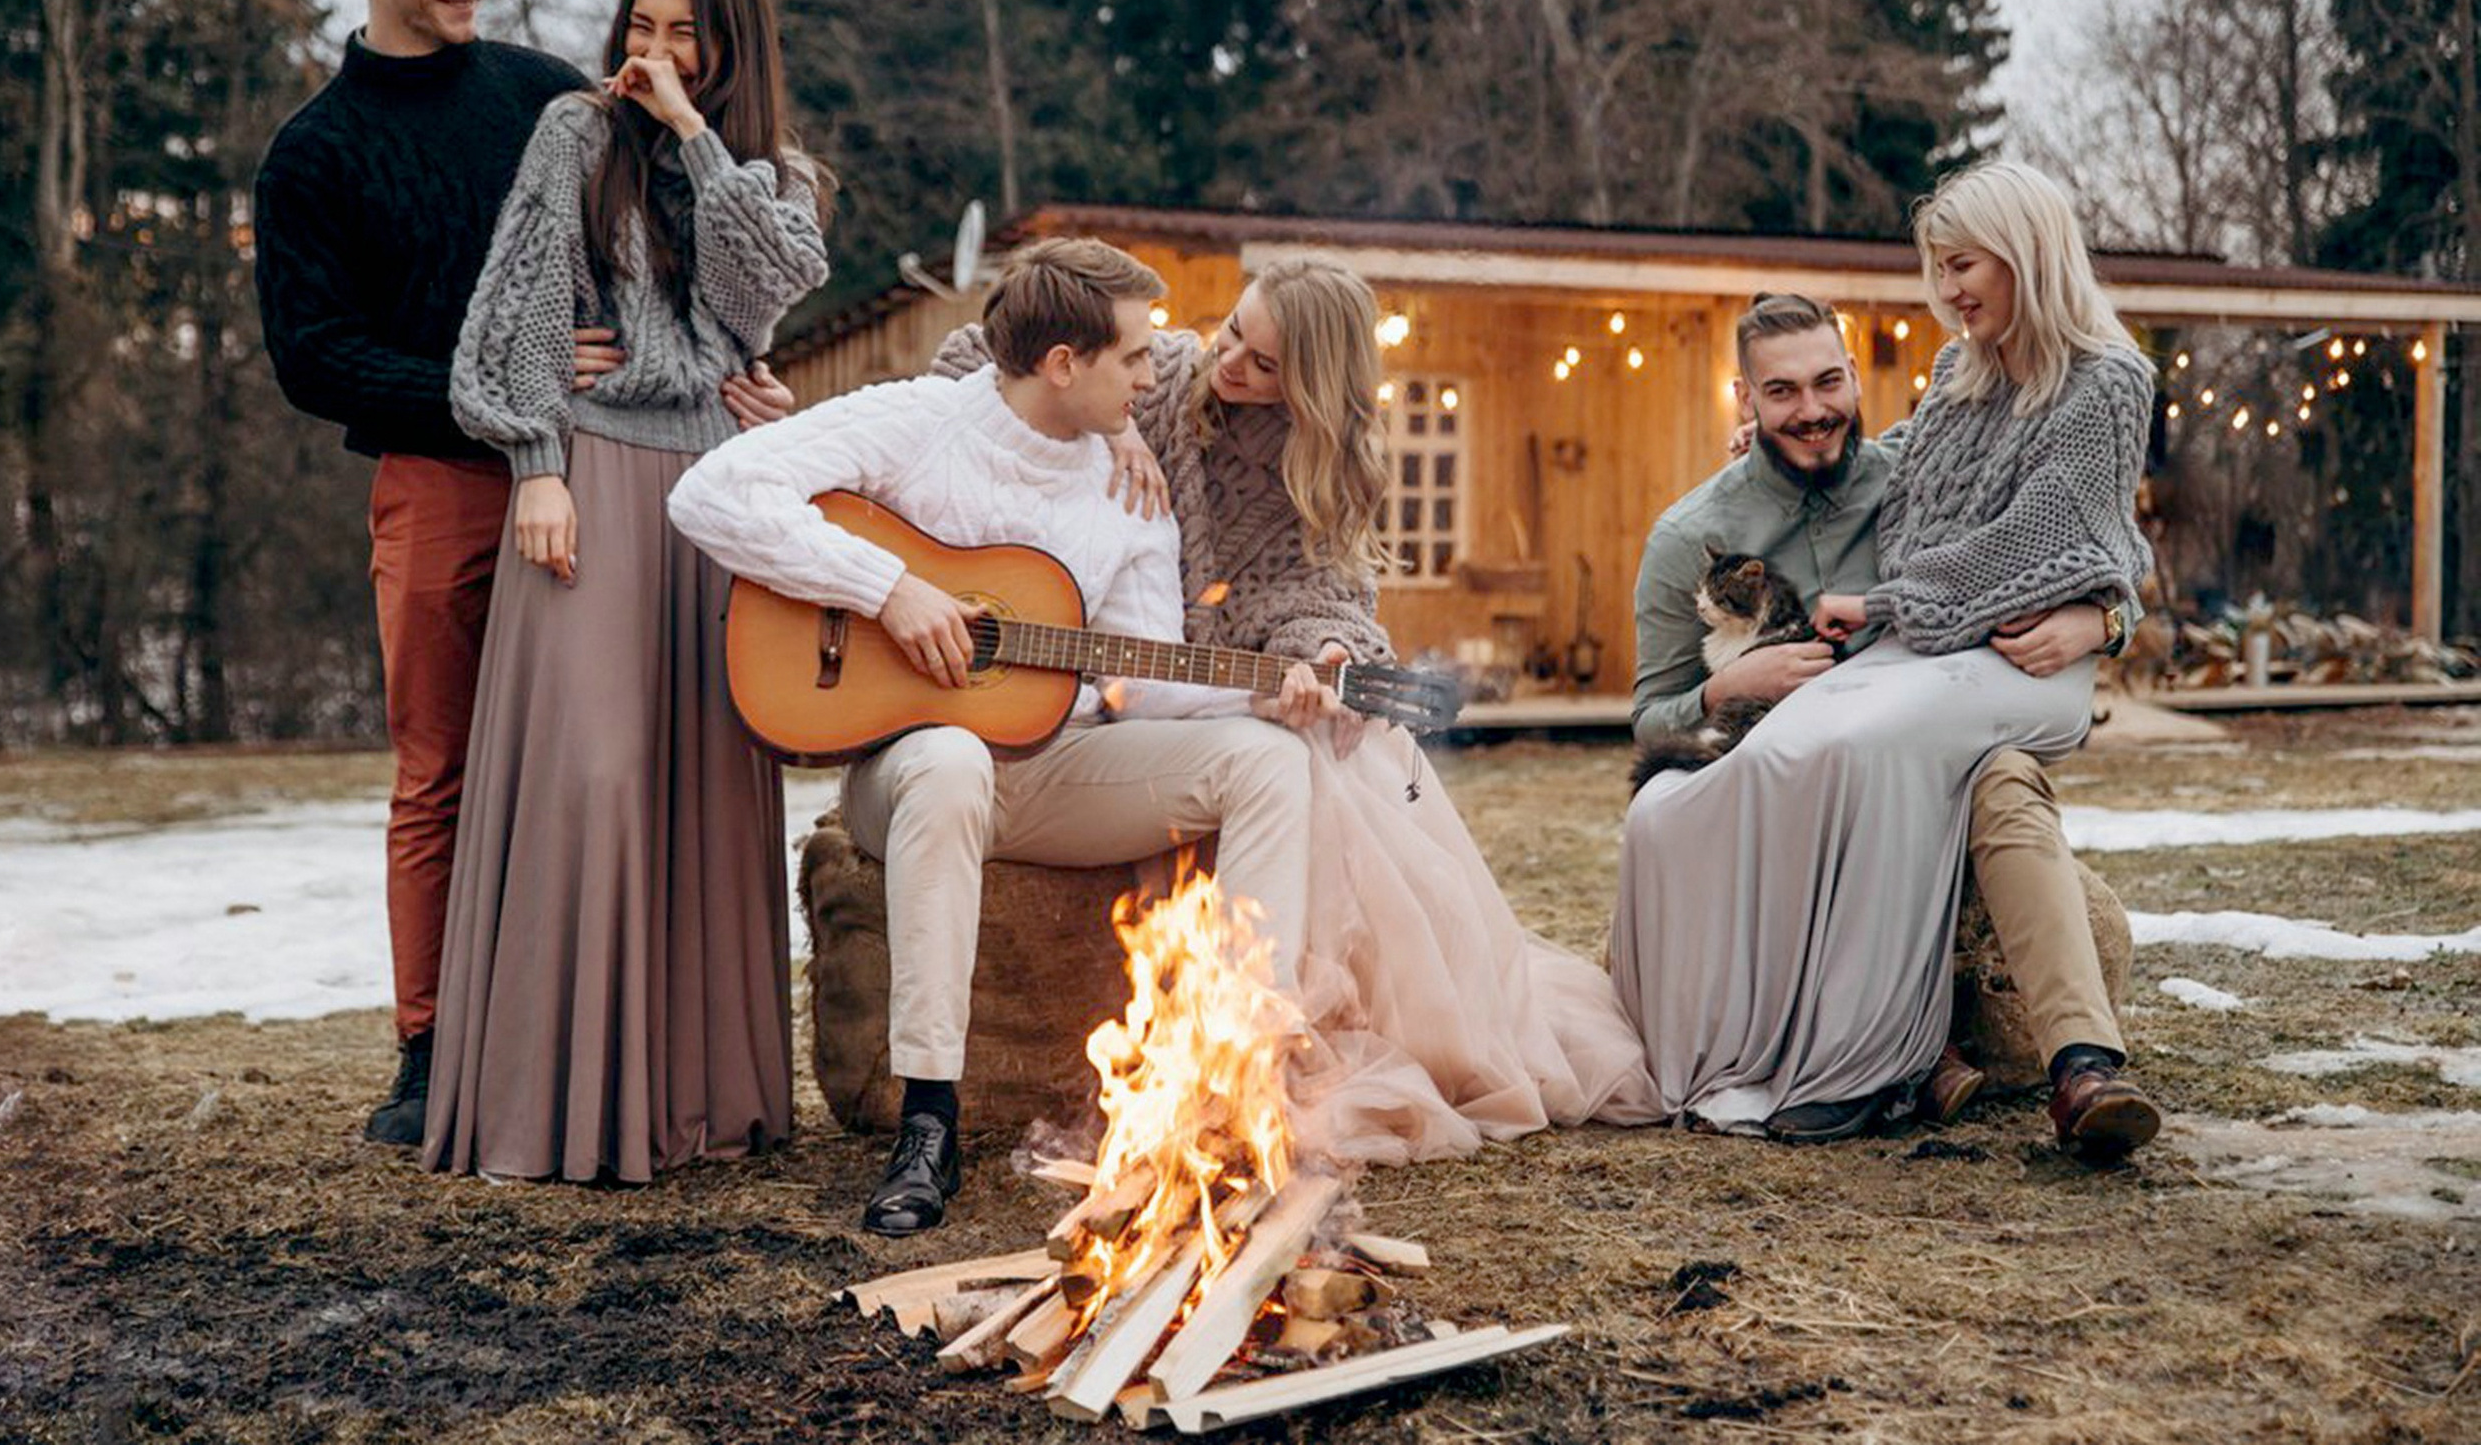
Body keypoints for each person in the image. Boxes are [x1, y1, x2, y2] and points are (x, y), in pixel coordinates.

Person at [934, 257, 1662, 1164]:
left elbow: (1321, 594)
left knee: (1332, 761)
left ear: (1314, 386)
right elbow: (975, 351)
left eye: (1264, 362)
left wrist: (1324, 656)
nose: (1229, 361)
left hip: (1203, 681)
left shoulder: (1325, 464)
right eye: (1233, 331)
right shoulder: (1148, 373)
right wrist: (1094, 426)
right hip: (1099, 672)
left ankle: (1272, 1045)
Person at [668, 238, 1316, 1235]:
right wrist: (889, 589)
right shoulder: (914, 421)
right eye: (1136, 356)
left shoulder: (1126, 490)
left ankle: (1234, 1088)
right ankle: (926, 1119)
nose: (1156, 376)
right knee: (951, 755)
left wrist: (1264, 694)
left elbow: (1140, 679)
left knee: (1268, 760)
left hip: (1055, 769)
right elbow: (709, 493)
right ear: (1064, 364)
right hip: (908, 768)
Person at [1608, 159, 2160, 1159]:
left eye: (1961, 266)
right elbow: (1942, 472)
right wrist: (1731, 685)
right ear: (1749, 399)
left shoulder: (2107, 380)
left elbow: (2058, 537)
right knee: (1871, 763)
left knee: (1858, 744)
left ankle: (1865, 1063)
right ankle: (2029, 1062)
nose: (1947, 291)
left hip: (2015, 660)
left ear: (2024, 254)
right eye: (1779, 393)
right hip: (1937, 655)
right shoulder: (1959, 370)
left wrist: (2101, 621)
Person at [418, 0, 829, 1183]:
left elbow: (765, 295)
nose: (650, 53)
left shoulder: (771, 174)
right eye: (639, 27)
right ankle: (553, 1109)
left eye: (682, 34)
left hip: (713, 491)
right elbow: (511, 319)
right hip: (588, 472)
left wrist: (697, 137)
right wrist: (534, 462)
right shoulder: (569, 136)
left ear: (729, 50)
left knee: (704, 780)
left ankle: (700, 1106)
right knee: (595, 773)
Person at [254, 0, 593, 1146]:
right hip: (438, 483)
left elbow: (640, 245)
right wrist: (492, 395)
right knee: (438, 771)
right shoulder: (314, 154)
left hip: (593, 470)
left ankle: (572, 1020)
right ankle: (428, 1047)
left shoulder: (541, 96)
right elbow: (312, 356)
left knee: (582, 755)